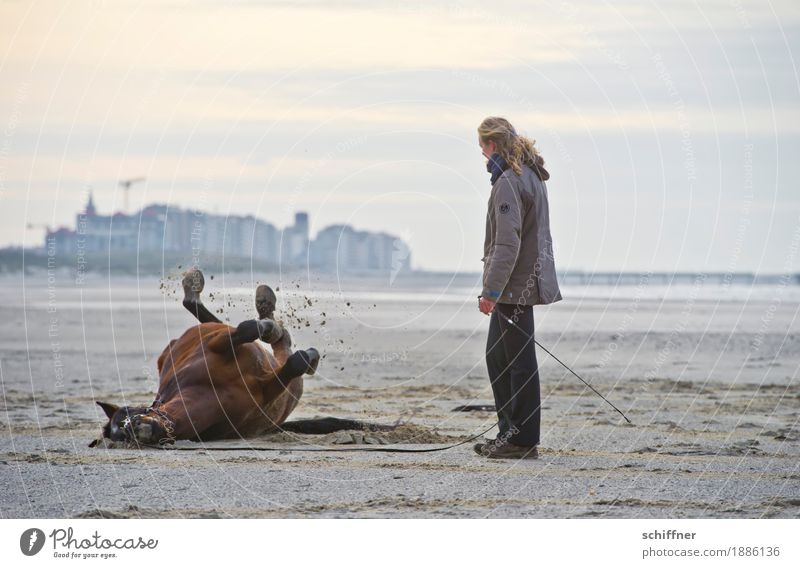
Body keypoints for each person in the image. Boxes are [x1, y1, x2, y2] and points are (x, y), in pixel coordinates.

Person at [474, 116, 563, 460]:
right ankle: (508, 433)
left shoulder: (510, 182)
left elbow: (507, 244)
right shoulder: (530, 175)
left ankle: (522, 440)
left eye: (482, 147)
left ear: (492, 144)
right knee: (498, 358)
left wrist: (491, 292)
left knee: (519, 362)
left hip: (515, 286)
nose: (481, 154)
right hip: (523, 282)